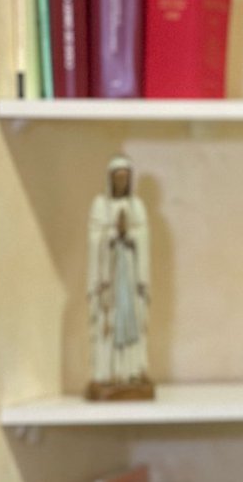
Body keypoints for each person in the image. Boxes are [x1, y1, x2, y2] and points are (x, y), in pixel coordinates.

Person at [86, 155, 152, 399]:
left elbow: (143, 237)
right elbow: (95, 239)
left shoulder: (137, 207)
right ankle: (107, 372)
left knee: (133, 321)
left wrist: (131, 236)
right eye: (118, 179)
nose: (122, 184)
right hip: (110, 278)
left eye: (126, 179)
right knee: (108, 324)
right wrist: (112, 236)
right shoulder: (100, 206)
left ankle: (132, 370)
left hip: (131, 277)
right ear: (110, 181)